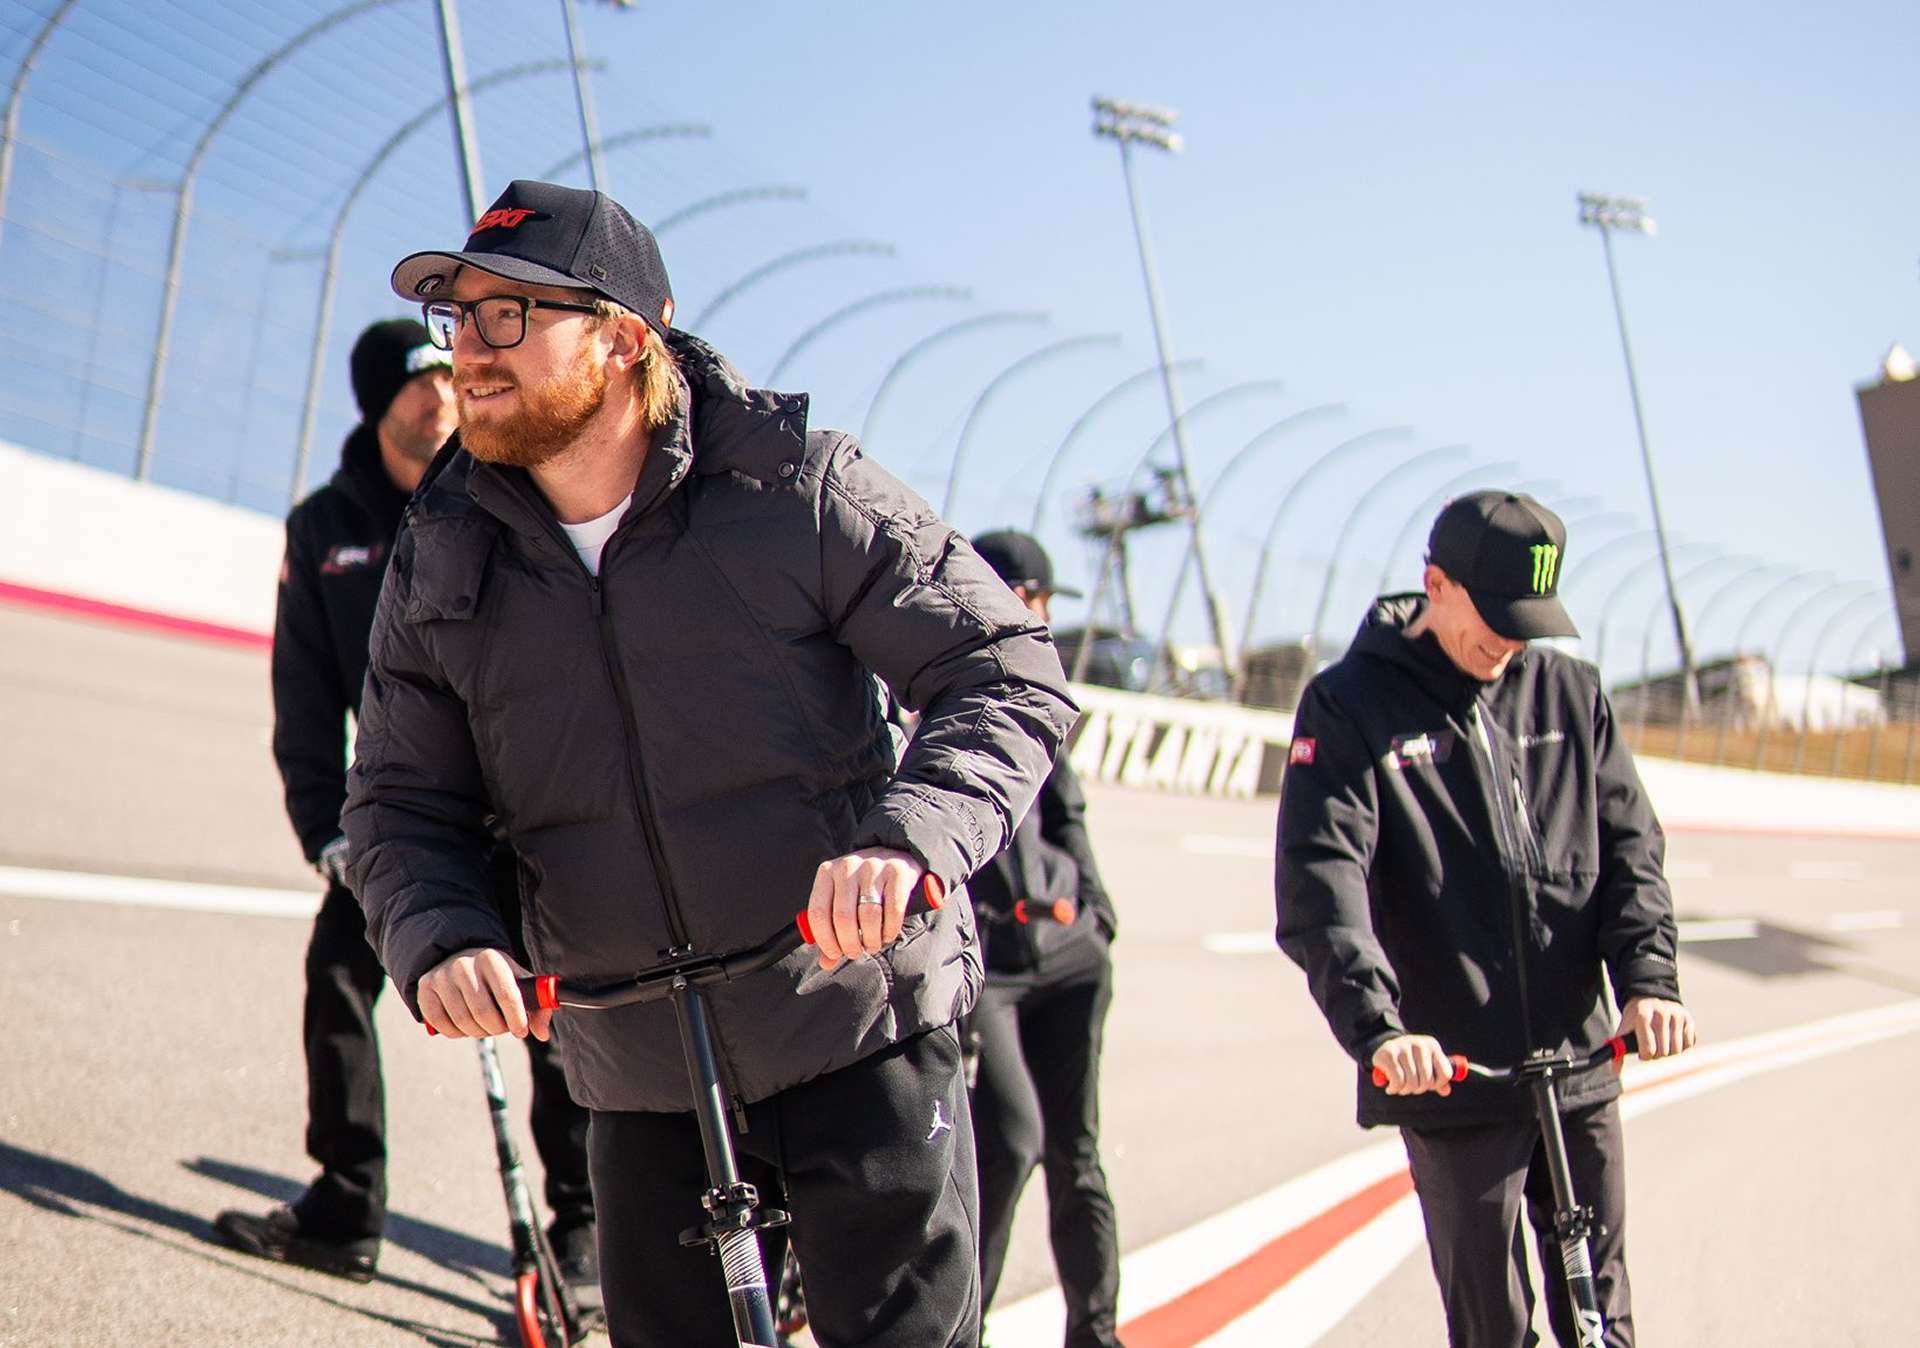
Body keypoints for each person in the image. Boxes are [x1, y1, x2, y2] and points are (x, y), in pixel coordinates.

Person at [340, 179, 1077, 1348]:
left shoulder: (797, 487)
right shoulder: (441, 558)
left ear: (627, 338)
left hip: (856, 1024)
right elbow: (397, 803)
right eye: (460, 317)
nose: (469, 351)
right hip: (635, 1075)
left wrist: (909, 840)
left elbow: (1006, 669)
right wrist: (440, 933)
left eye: (510, 316)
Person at [215, 319, 602, 1324]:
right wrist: (329, 832)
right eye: (419, 390)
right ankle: (345, 1208)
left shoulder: (500, 489)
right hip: (402, 820)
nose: (443, 402)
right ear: (378, 406)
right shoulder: (324, 528)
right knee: (338, 976)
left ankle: (588, 1234)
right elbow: (304, 699)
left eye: (448, 382)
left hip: (520, 812)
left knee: (552, 1017)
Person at [1274, 490, 1697, 1348]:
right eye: (1496, 617)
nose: (1511, 642)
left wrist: (1650, 982)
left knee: (1603, 1323)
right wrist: (1380, 1031)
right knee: (1494, 1330)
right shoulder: (1349, 704)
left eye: (1530, 621)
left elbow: (1630, 850)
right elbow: (1323, 885)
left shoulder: (1571, 694)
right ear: (1436, 585)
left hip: (1579, 1063)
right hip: (1454, 1077)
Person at [964, 529, 1126, 1348]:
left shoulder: (1044, 686)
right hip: (987, 966)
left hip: (1068, 953)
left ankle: (1096, 1335)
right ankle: (964, 1328)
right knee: (1010, 1137)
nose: (1042, 615)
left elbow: (1067, 814)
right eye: (1032, 598)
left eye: (1046, 603)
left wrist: (1097, 912)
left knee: (1077, 1155)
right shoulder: (932, 679)